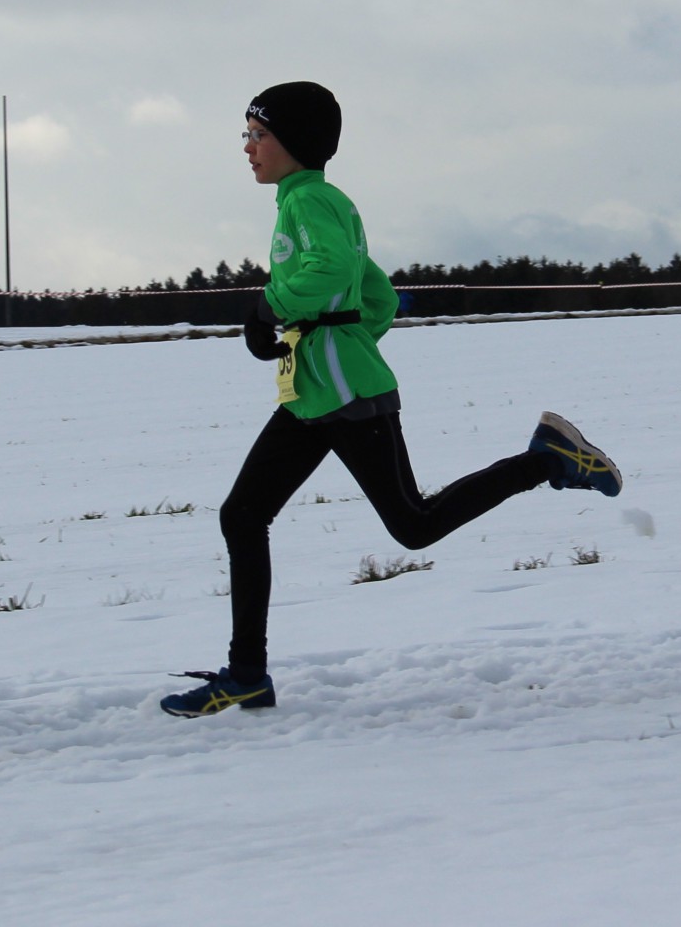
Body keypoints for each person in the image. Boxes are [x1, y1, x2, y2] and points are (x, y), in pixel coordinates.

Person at [162, 82, 623, 718]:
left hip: (345, 395)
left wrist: (271, 307)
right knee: (243, 515)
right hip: (317, 393)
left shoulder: (309, 202)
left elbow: (329, 274)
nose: (248, 147)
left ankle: (548, 459)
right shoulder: (319, 201)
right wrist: (335, 336)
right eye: (247, 134)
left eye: (258, 135)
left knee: (414, 524)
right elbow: (374, 294)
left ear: (295, 142)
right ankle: (246, 674)